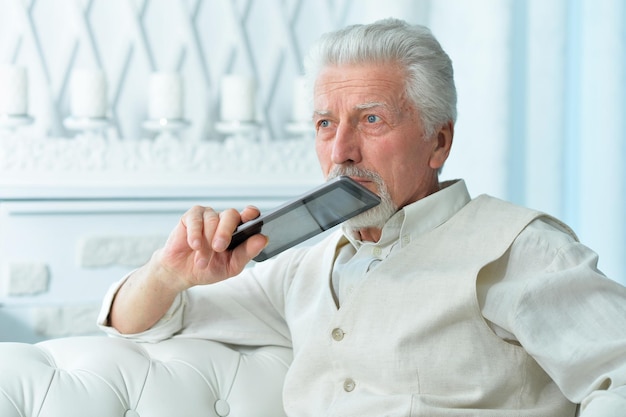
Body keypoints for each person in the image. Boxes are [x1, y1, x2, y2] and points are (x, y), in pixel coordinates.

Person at [98, 18, 626, 416]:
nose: (342, 150)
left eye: (371, 119)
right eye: (326, 124)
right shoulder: (298, 270)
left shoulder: (523, 250)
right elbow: (145, 321)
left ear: (437, 140)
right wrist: (168, 273)